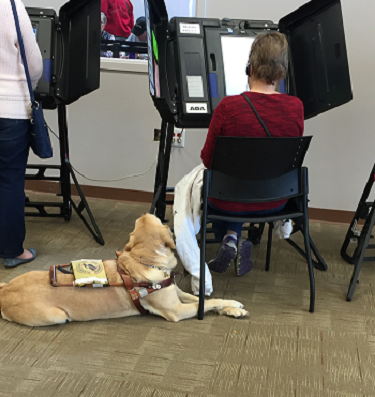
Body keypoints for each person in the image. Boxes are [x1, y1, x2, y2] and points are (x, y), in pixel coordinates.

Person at [200, 32, 304, 277]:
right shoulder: (295, 108)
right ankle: (233, 237)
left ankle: (230, 237)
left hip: (228, 201)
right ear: (282, 73)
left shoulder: (228, 107)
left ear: (251, 67)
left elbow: (207, 160)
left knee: (225, 187)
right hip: (276, 201)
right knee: (248, 184)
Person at [0, 0, 43, 267]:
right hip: (11, 108)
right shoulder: (11, 6)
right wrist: (29, 91)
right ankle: (12, 251)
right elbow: (34, 64)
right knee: (10, 181)